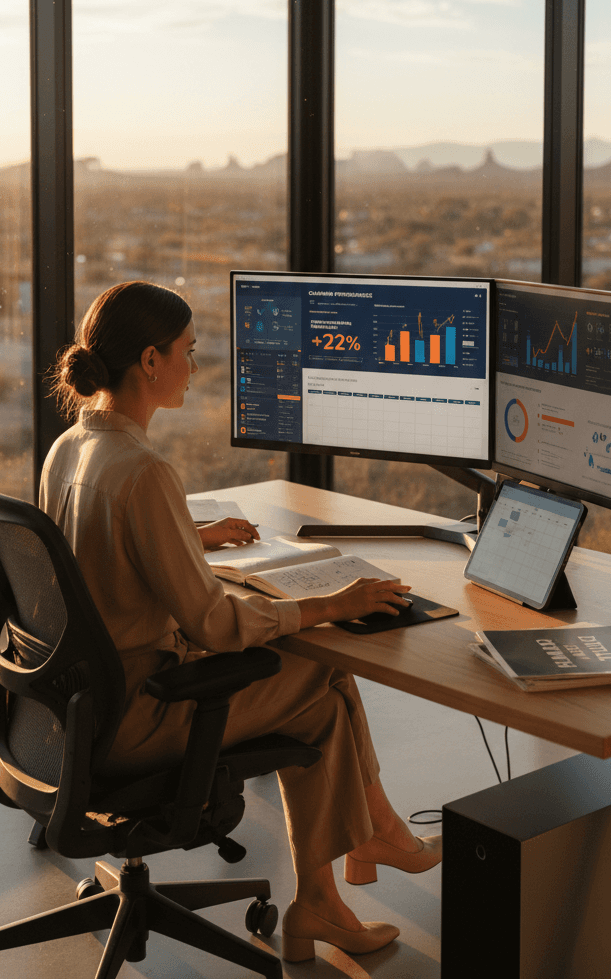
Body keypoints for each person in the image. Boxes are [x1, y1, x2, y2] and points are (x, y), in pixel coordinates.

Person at [41, 280, 441, 962]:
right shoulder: (144, 470)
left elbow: (98, 555)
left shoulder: (71, 448)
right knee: (325, 675)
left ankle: (350, 868)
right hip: (141, 717)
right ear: (149, 361)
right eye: (187, 353)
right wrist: (330, 605)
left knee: (323, 686)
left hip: (77, 712)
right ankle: (346, 870)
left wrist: (190, 537)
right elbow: (215, 625)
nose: (195, 368)